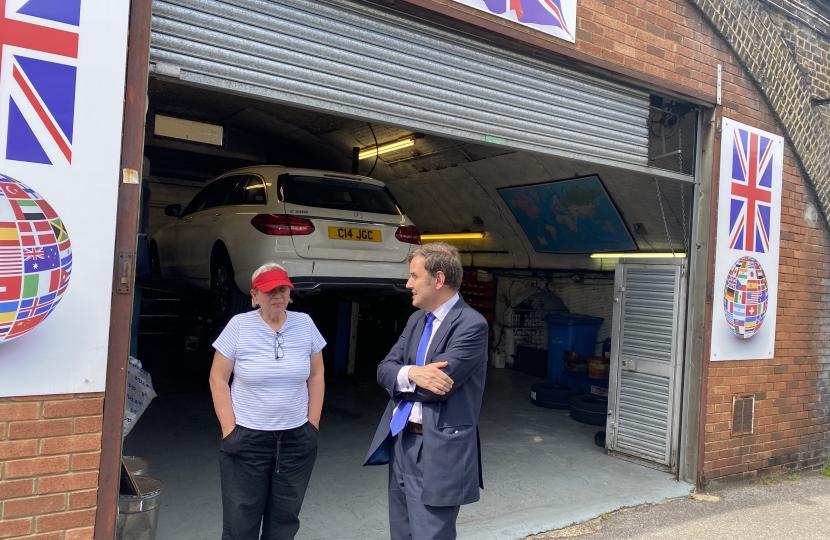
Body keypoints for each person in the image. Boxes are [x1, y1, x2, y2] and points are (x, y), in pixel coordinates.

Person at [364, 242, 489, 540]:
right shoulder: (417, 319)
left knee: (431, 534)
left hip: (439, 449)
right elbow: (383, 370)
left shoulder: (471, 325)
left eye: (414, 276)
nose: (408, 284)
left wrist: (401, 379)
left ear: (439, 279)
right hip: (402, 440)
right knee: (402, 533)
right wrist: (413, 373)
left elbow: (439, 388)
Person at [209, 262, 325, 540]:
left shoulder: (305, 323)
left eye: (283, 289)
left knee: (284, 521)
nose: (277, 296)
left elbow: (317, 374)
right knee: (241, 522)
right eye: (269, 290)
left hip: (296, 439)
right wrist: (229, 429)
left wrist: (313, 423)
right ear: (254, 295)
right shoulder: (239, 326)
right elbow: (218, 379)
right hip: (247, 439)